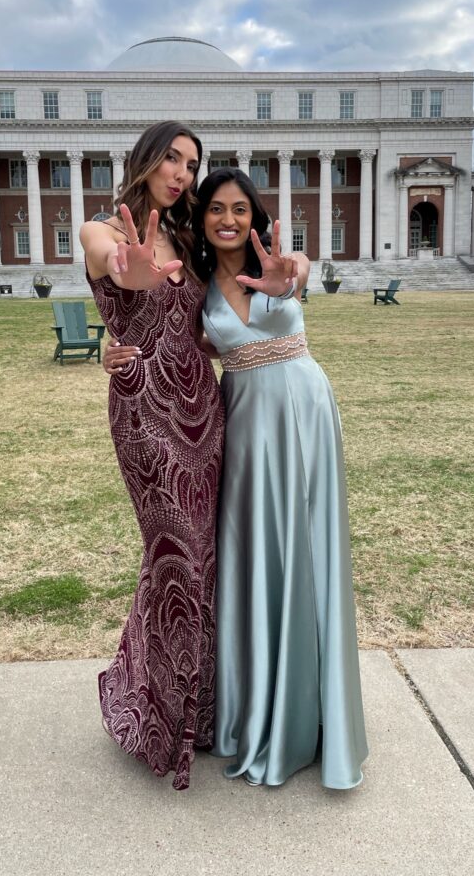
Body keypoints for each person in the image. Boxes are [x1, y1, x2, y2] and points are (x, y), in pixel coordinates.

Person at [106, 166, 368, 789]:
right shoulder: (196, 286)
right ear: (201, 220)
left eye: (241, 210)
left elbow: (299, 270)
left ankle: (314, 711)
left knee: (308, 553)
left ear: (256, 217)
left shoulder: (281, 263)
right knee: (252, 560)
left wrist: (294, 276)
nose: (229, 219)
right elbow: (164, 337)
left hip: (304, 412)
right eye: (216, 209)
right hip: (244, 425)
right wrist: (108, 351)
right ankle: (255, 708)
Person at [79, 121, 225, 791]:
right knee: (172, 553)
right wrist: (127, 271)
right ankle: (158, 719)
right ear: (145, 158)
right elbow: (113, 262)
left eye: (191, 164)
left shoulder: (192, 240)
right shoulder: (101, 230)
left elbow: (211, 325)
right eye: (171, 156)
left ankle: (204, 707)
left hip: (205, 411)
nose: (181, 172)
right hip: (143, 411)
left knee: (205, 556)